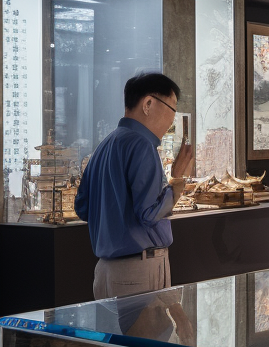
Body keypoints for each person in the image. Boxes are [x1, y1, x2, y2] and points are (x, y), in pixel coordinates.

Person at [75, 72, 193, 298]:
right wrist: (177, 181)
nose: (171, 121)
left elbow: (82, 208)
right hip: (138, 271)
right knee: (144, 336)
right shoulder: (141, 145)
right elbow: (149, 214)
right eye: (172, 110)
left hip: (104, 272)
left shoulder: (105, 144)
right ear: (148, 104)